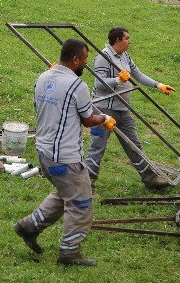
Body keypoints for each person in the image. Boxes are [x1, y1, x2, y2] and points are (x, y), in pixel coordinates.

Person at [13, 39, 116, 266]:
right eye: (85, 61)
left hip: (44, 152)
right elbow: (88, 119)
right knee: (81, 204)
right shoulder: (76, 86)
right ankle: (69, 253)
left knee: (66, 192)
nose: (85, 66)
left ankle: (28, 227)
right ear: (75, 59)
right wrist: (104, 118)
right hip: (65, 157)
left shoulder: (43, 77)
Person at [85, 27, 175, 190]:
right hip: (103, 110)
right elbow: (99, 83)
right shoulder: (103, 57)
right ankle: (87, 183)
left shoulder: (125, 56)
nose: (129, 40)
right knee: (98, 146)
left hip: (123, 110)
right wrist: (118, 80)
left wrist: (158, 85)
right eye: (127, 38)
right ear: (117, 40)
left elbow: (138, 75)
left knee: (134, 145)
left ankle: (150, 178)